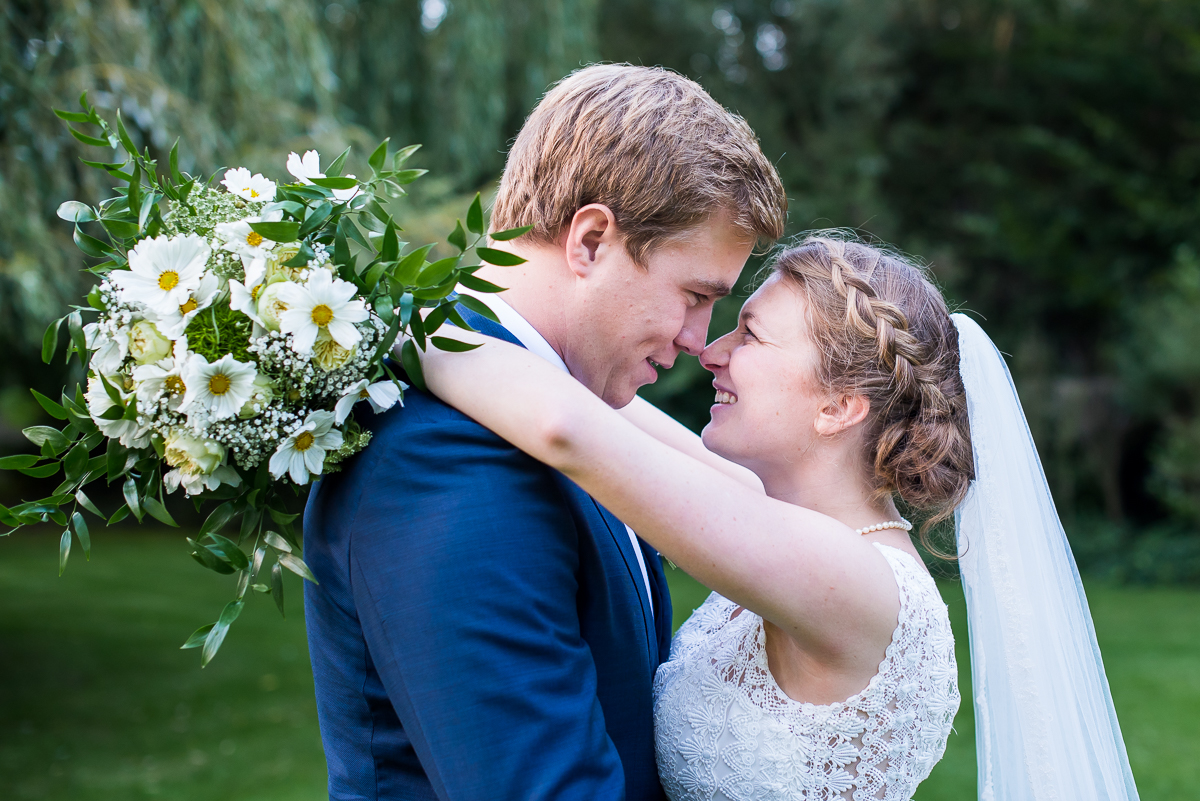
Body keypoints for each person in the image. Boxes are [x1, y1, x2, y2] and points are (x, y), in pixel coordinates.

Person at [417, 234, 1142, 800]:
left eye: (751, 336)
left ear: (837, 407)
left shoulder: (854, 578)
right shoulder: (781, 519)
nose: (709, 350)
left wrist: (377, 331)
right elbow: (601, 400)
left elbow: (566, 431)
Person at [301, 64, 787, 800]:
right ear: (590, 239)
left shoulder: (568, 410)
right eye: (695, 295)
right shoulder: (444, 455)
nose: (699, 338)